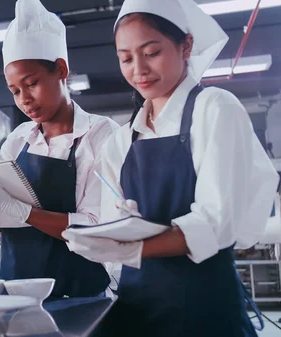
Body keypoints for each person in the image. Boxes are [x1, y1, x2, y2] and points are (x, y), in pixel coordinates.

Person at [63, 0, 279, 335]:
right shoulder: (121, 141)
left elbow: (217, 222)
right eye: (126, 58)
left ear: (186, 45)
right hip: (137, 310)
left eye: (151, 52)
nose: (139, 69)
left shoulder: (216, 109)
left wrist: (135, 246)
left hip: (205, 309)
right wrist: (108, 235)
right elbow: (109, 226)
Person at [0, 0, 119, 300]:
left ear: (61, 69)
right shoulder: (18, 140)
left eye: (32, 84)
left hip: (79, 296)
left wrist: (24, 213)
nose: (24, 99)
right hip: (15, 294)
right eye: (15, 91)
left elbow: (96, 228)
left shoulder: (101, 136)